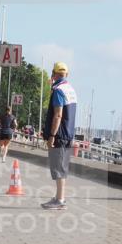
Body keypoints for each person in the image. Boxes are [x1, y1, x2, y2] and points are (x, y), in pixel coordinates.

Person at [41, 62, 77, 210]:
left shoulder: (58, 90)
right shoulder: (71, 89)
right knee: (62, 166)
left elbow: (58, 114)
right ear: (66, 74)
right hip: (68, 133)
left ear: (54, 74)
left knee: (58, 167)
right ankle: (58, 197)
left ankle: (60, 199)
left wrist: (52, 136)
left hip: (59, 134)